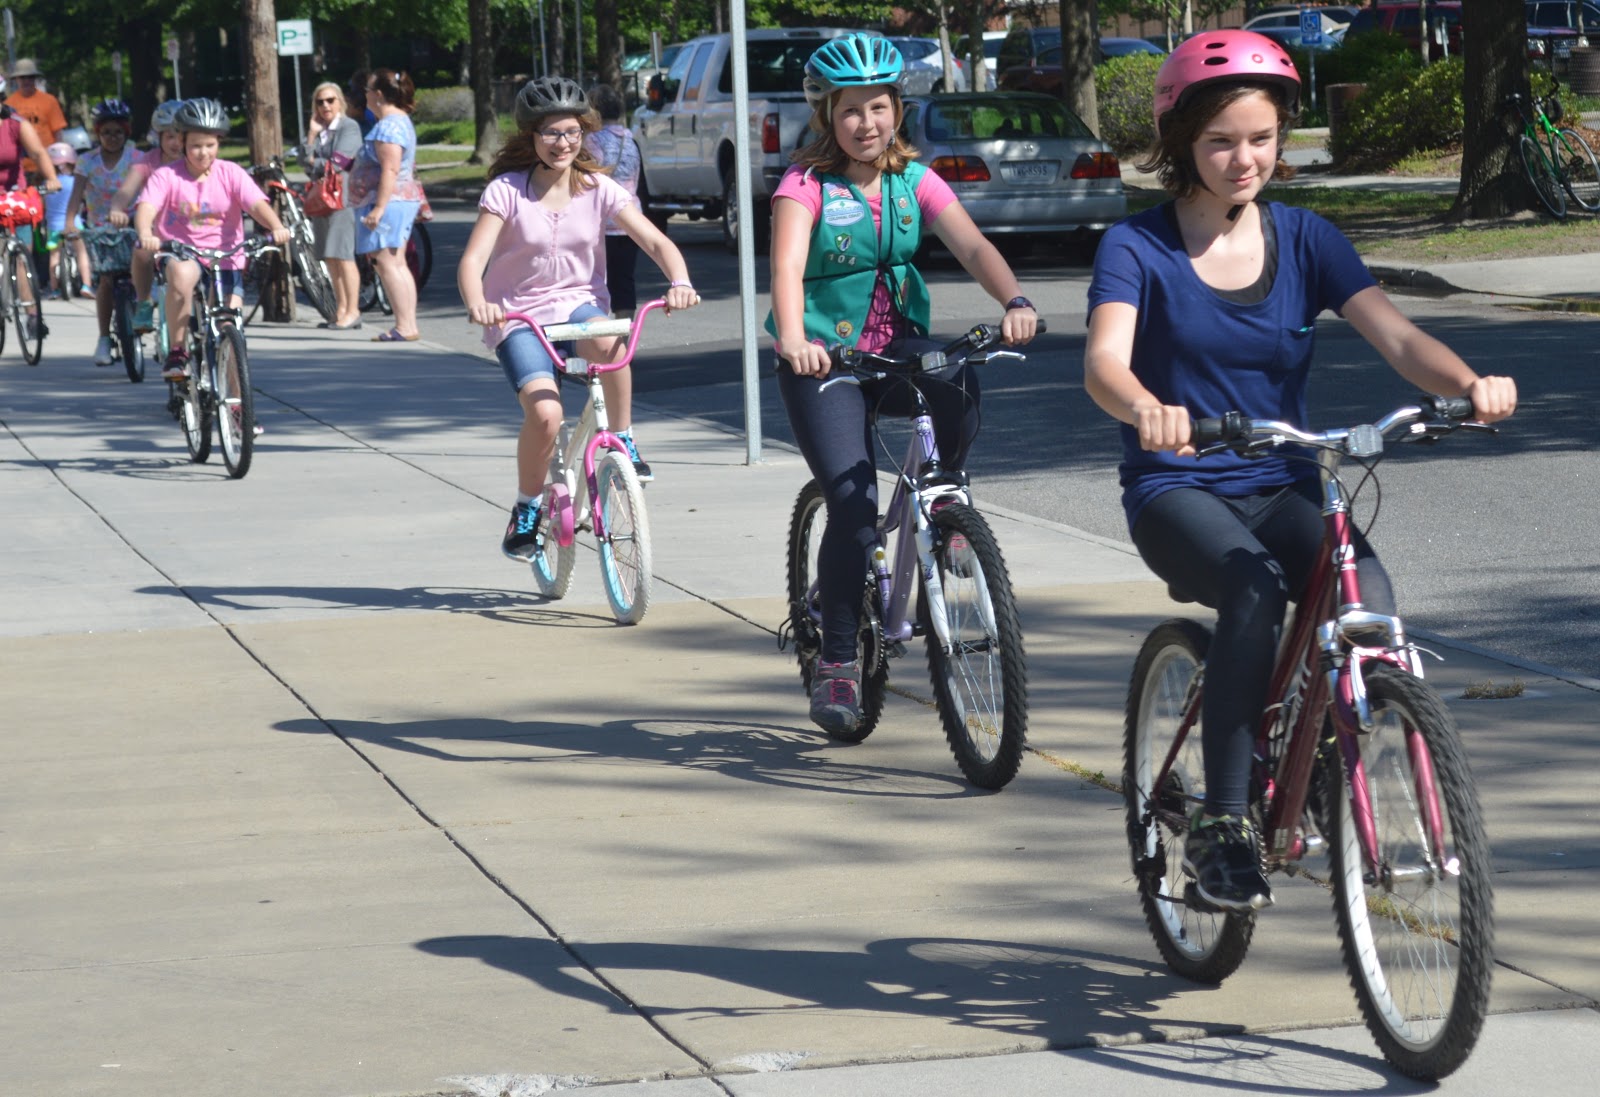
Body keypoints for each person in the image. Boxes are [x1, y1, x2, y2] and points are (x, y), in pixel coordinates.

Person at [1083, 30, 1518, 913]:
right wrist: (1144, 409)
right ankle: (1223, 818)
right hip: (1180, 484)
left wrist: (1469, 383)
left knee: (1373, 605)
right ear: (1180, 145)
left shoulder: (1309, 238)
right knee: (1253, 588)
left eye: (1260, 138)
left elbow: (1395, 336)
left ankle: (1323, 750)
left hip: (1285, 478)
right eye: (1219, 141)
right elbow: (1104, 363)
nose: (1243, 158)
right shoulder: (1138, 248)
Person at [768, 34, 1037, 734]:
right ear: (826, 115)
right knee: (853, 509)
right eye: (851, 110)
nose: (867, 123)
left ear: (898, 108)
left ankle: (941, 510)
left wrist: (1014, 301)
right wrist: (795, 339)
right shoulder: (805, 186)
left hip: (895, 345)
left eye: (879, 107)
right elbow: (788, 271)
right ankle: (836, 663)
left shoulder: (913, 179)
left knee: (957, 374)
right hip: (826, 360)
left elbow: (972, 245)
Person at [457, 76, 699, 562]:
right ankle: (526, 507)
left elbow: (654, 241)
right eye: (550, 132)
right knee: (545, 415)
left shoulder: (597, 187)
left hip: (576, 304)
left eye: (571, 131)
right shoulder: (507, 191)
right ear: (531, 137)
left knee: (612, 343)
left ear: (584, 132)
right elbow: (471, 261)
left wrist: (680, 280)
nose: (563, 142)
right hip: (518, 314)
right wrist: (476, 302)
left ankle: (623, 440)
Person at [132, 98, 290, 381]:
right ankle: (178, 351)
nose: (203, 152)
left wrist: (277, 226)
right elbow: (147, 208)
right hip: (184, 251)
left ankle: (239, 412)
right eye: (195, 145)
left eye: (210, 144)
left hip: (227, 255)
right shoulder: (166, 175)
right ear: (181, 142)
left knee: (231, 331)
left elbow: (255, 204)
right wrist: (146, 232)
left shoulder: (230, 173)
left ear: (219, 141)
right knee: (180, 275)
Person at [350, 68, 422, 342]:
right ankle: (407, 323)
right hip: (396, 201)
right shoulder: (396, 122)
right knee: (396, 262)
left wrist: (378, 209)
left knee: (388, 262)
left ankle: (405, 325)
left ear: (378, 95)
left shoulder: (389, 126)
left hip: (389, 204)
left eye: (368, 90)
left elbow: (390, 170)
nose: (365, 95)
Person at [66, 98, 136, 366]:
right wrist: (70, 220)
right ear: (98, 133)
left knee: (145, 272)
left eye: (118, 132)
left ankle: (142, 314)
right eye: (106, 132)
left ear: (126, 132)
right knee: (107, 280)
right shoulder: (87, 161)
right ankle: (105, 337)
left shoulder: (137, 158)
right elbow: (76, 194)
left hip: (133, 224)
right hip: (101, 228)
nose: (113, 138)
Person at [108, 99, 185, 333]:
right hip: (155, 230)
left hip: (191, 230)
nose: (175, 142)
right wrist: (117, 209)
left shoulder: (196, 160)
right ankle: (144, 302)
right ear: (158, 137)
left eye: (180, 135)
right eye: (169, 136)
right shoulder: (148, 161)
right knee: (142, 251)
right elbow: (126, 191)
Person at [0, 76, 61, 342]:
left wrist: (52, 178)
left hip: (14, 197)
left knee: (20, 252)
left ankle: (33, 316)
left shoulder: (15, 124)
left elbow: (37, 153)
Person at [300, 81, 363, 329]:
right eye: (320, 101)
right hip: (321, 201)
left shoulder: (349, 127)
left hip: (342, 199)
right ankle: (340, 310)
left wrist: (318, 161)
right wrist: (312, 135)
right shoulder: (320, 131)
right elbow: (306, 165)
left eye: (330, 100)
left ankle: (353, 310)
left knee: (344, 255)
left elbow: (337, 164)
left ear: (340, 102)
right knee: (330, 257)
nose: (325, 105)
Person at [583, 83, 641, 316]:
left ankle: (598, 338)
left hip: (602, 223)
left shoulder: (593, 140)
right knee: (624, 280)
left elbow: (589, 180)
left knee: (595, 281)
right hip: (630, 218)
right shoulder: (631, 139)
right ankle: (624, 340)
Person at [41, 141, 91, 300]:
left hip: (54, 226)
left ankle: (55, 289)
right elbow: (84, 198)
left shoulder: (47, 185)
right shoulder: (75, 182)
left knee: (54, 256)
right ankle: (86, 284)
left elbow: (43, 205)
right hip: (74, 224)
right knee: (82, 253)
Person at [3, 59, 66, 176]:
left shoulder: (49, 101)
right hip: (20, 168)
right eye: (22, 77)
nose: (26, 81)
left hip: (48, 164)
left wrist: (60, 161)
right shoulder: (8, 105)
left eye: (30, 77)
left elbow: (58, 133)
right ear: (16, 79)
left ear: (35, 78)